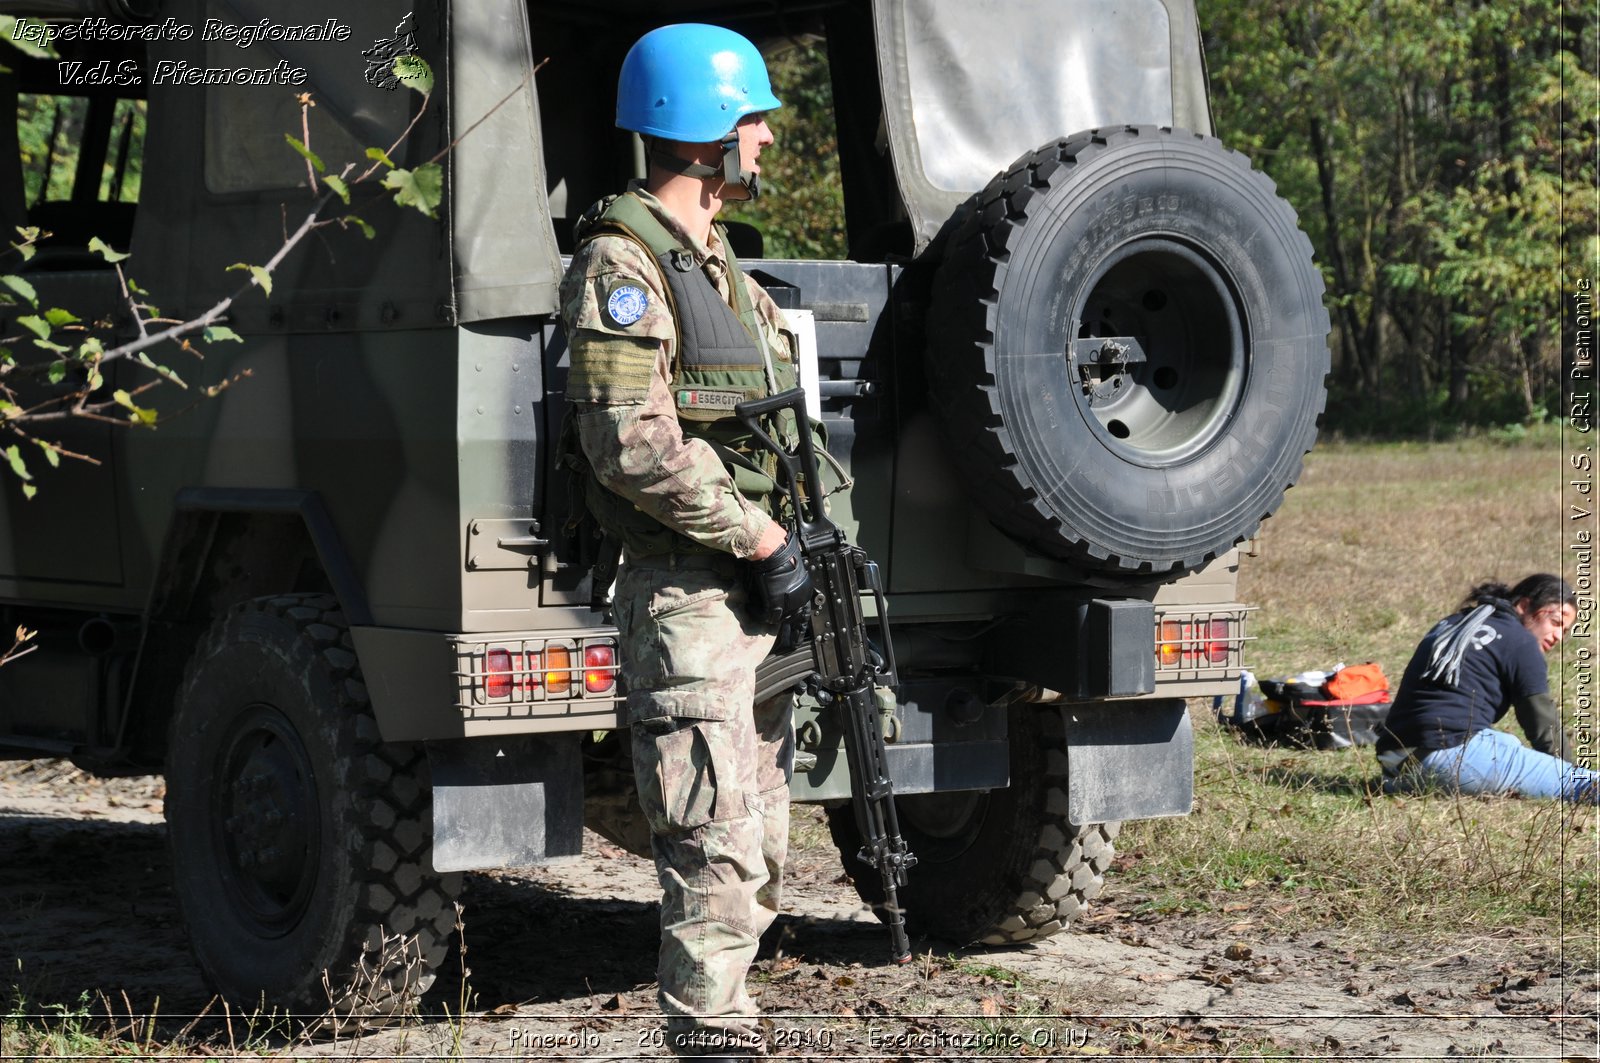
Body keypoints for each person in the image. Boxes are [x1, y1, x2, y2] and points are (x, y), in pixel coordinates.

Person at [556, 23, 813, 1060]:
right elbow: (629, 442)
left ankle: (726, 1018)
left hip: (746, 586)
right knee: (712, 837)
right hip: (687, 587)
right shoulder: (623, 264)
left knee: (763, 842)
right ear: (704, 134)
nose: (764, 139)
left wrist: (797, 542)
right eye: (751, 118)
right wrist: (758, 537)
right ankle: (711, 1036)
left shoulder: (722, 271)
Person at [1377, 573, 1596, 803]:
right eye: (1556, 623)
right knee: (1584, 783)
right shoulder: (1520, 641)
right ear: (1524, 606)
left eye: (1565, 630)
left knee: (1507, 744)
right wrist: (1565, 773)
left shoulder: (1455, 623)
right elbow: (1542, 723)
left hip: (1394, 766)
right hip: (1445, 758)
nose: (1559, 636)